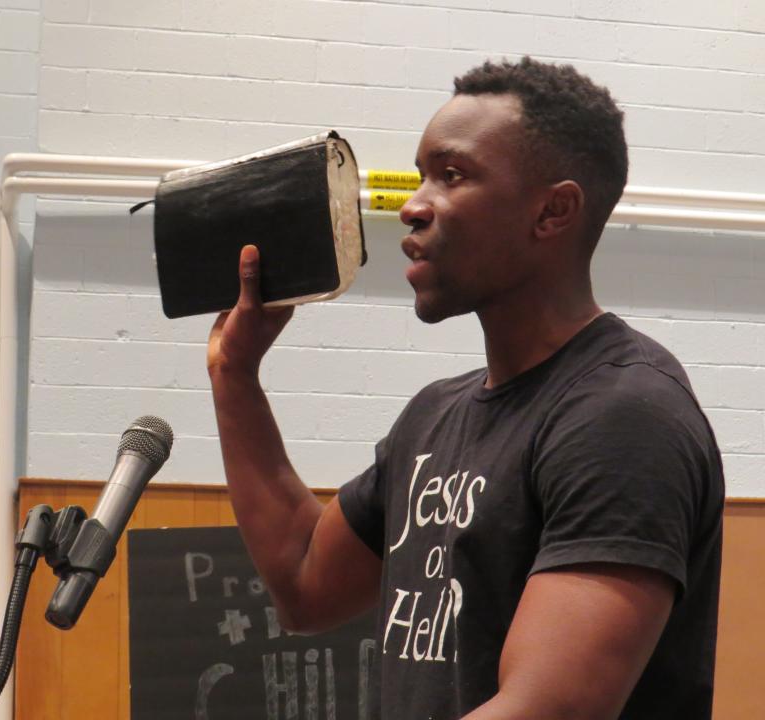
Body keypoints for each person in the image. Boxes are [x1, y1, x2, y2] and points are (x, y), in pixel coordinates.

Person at [206, 57, 724, 720]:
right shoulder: (434, 417)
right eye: (421, 176)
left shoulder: (622, 419)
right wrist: (234, 373)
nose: (413, 206)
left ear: (552, 212)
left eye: (452, 175)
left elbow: (547, 709)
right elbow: (306, 583)